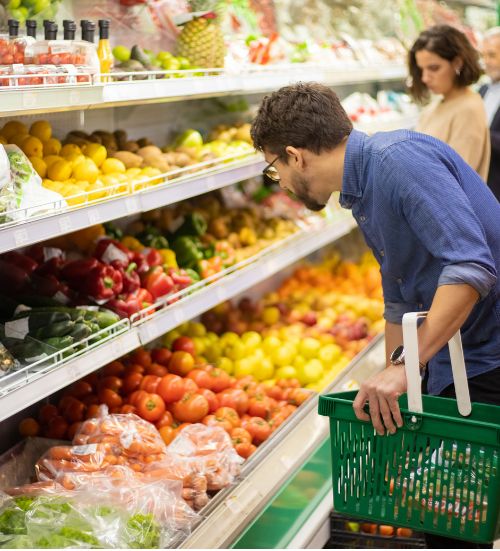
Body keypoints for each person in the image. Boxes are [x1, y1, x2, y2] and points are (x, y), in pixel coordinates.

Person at [250, 82, 500, 549]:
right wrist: (397, 374)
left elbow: (470, 267)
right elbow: (401, 298)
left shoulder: (398, 162)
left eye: (273, 168)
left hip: (489, 358)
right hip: (459, 359)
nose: (279, 181)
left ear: (294, 155)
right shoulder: (362, 187)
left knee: (463, 524)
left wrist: (408, 366)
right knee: (444, 522)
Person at [409, 25, 491, 181]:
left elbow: (453, 180)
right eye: (421, 70)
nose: (425, 78)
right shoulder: (435, 106)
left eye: (434, 68)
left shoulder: (468, 109)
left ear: (458, 63)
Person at [480, 27, 500, 200]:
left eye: (492, 55)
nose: (486, 61)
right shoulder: (483, 90)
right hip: (483, 186)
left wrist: (481, 135)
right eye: (483, 55)